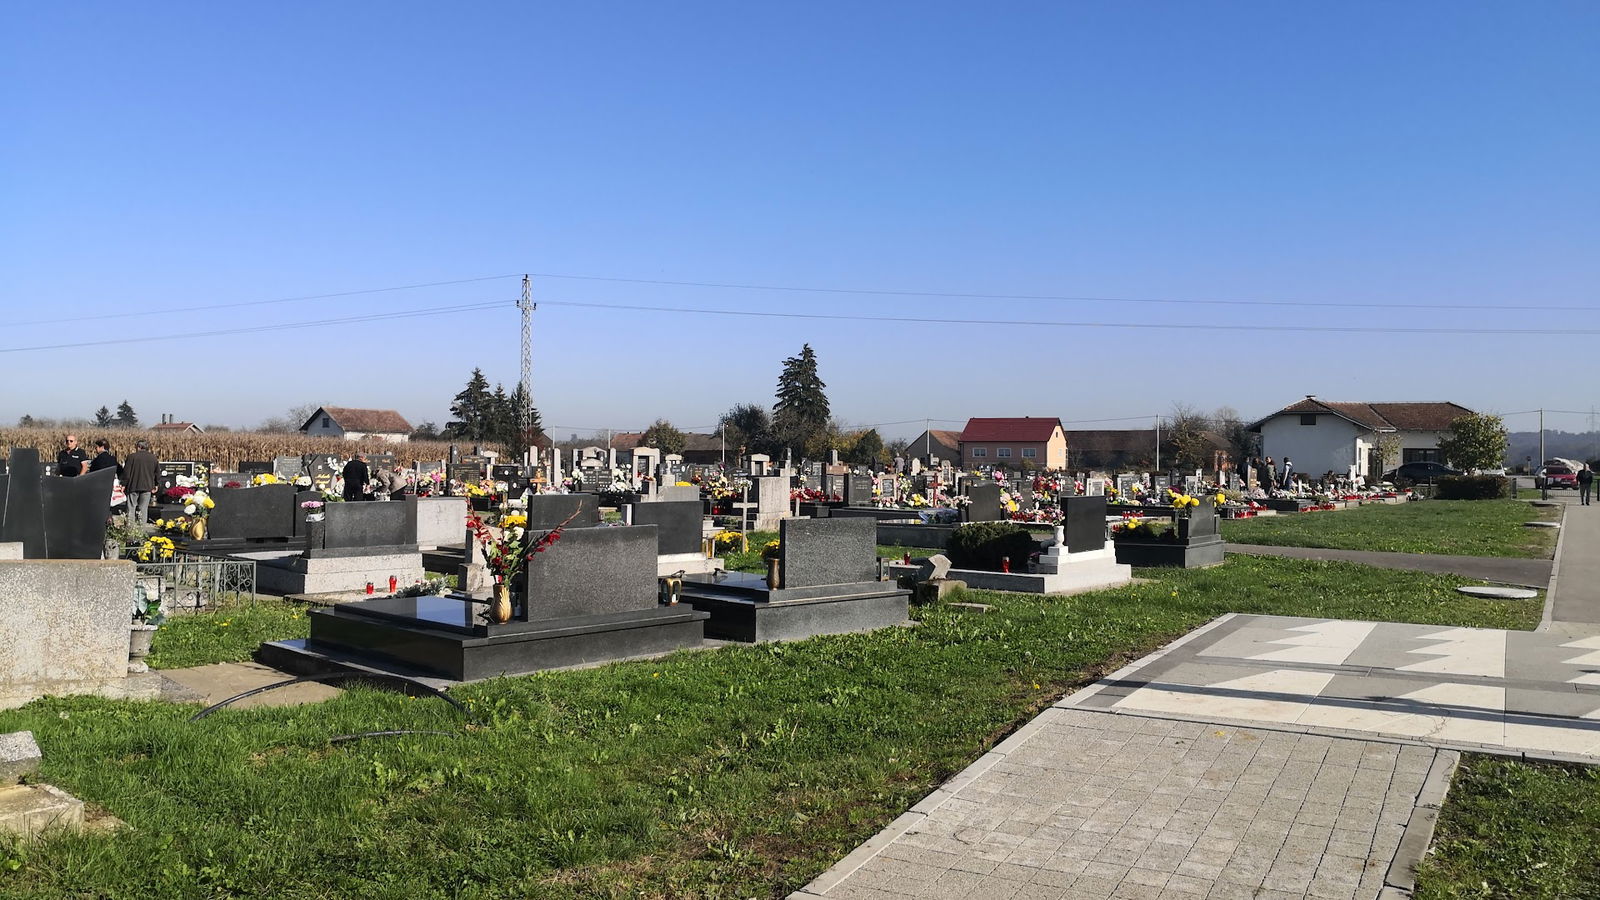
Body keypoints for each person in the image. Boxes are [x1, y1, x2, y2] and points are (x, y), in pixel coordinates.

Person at [123, 439, 159, 523]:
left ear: (139, 447)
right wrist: (156, 484)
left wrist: (124, 484)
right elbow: (157, 472)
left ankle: (130, 529)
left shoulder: (131, 457)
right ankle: (141, 530)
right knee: (143, 509)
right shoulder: (153, 457)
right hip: (147, 486)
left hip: (133, 486)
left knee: (131, 508)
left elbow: (126, 473)